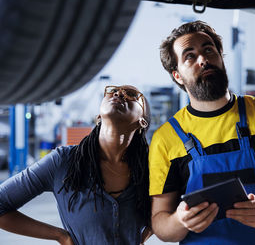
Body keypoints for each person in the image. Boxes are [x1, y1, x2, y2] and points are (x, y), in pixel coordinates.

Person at [149, 21, 255, 244]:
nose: (203, 59)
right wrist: (180, 220)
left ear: (221, 57)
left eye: (208, 50)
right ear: (177, 76)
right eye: (190, 57)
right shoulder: (166, 139)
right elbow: (161, 224)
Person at [0, 85, 152, 245]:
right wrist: (60, 235)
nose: (118, 93)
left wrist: (151, 229)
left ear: (142, 122)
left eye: (131, 95)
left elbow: (174, 203)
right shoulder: (63, 162)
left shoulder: (150, 168)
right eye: (113, 91)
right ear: (99, 115)